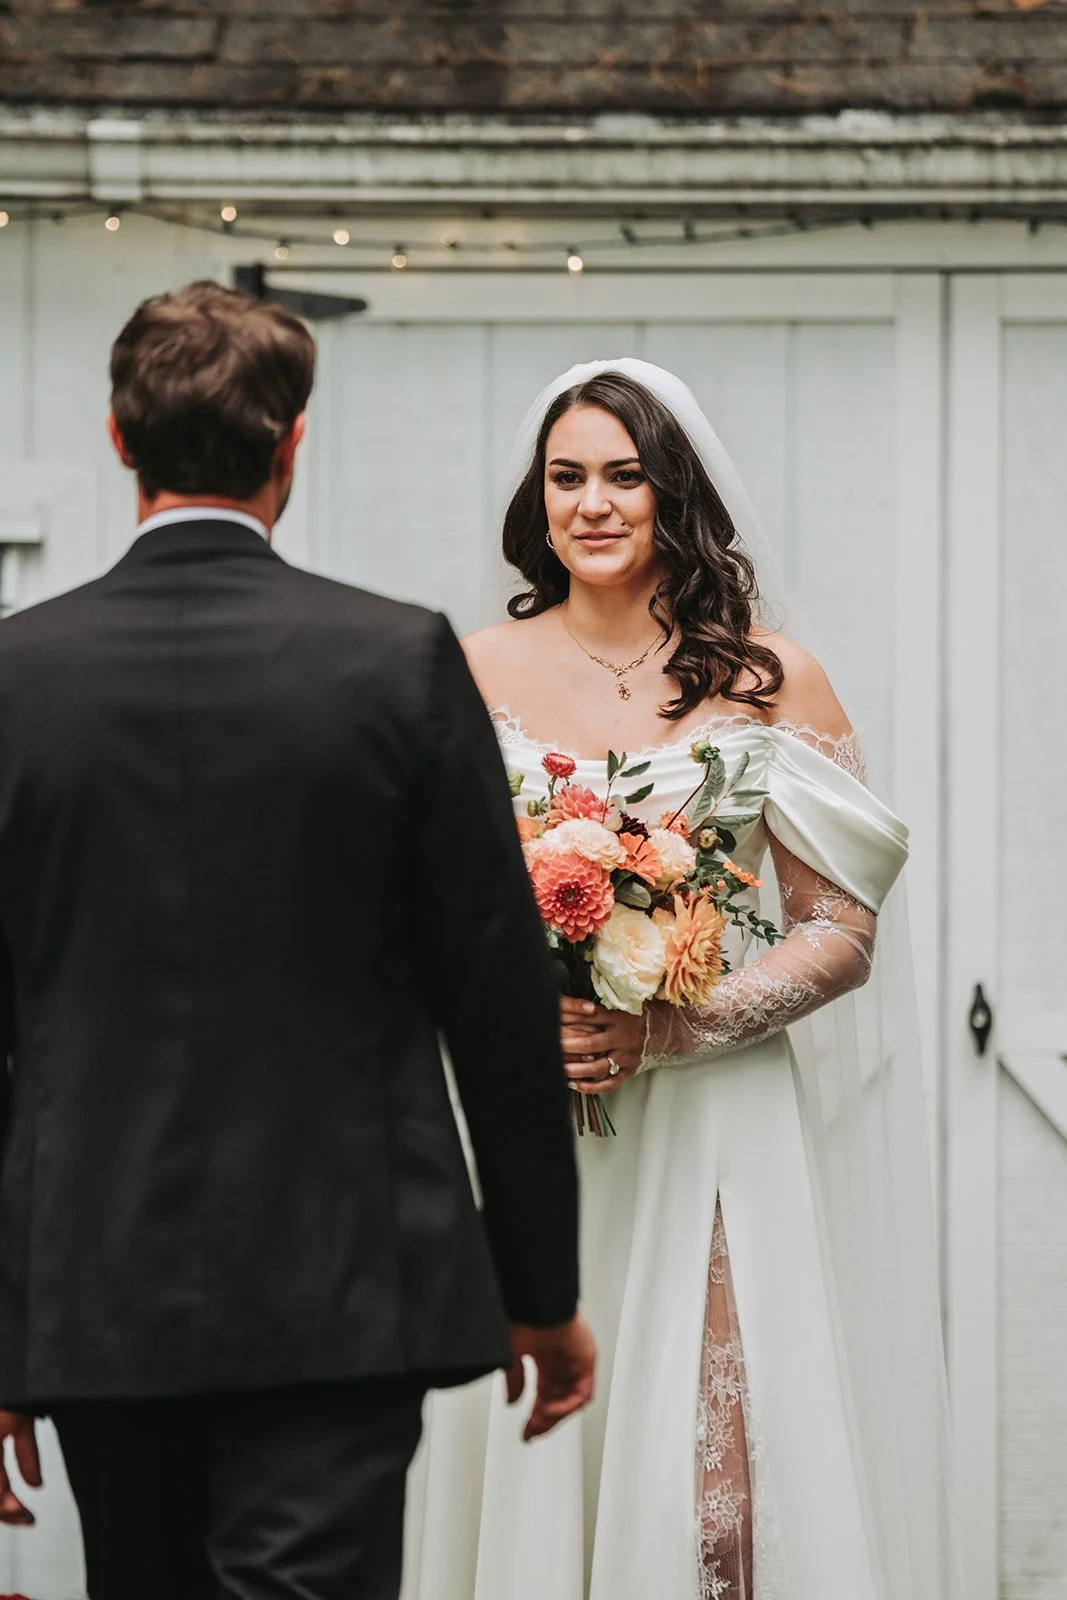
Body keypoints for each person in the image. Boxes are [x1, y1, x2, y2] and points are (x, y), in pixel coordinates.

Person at [0, 281, 595, 1600]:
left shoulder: (15, 676)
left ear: (118, 439)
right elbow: (497, 1006)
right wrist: (539, 1289)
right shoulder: (394, 663)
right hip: (344, 1287)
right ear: (291, 444)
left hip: (96, 1291)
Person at [402, 362, 958, 1600]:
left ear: (674, 493)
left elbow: (839, 927)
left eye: (622, 474)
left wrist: (673, 1027)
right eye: (565, 477)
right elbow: (411, 907)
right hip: (535, 1118)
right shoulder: (463, 670)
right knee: (546, 1450)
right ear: (536, 502)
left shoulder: (767, 679)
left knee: (721, 1497)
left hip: (714, 1113)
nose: (591, 503)